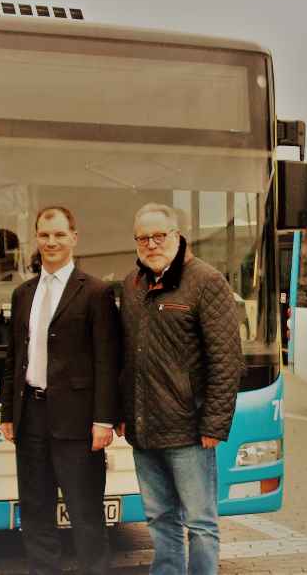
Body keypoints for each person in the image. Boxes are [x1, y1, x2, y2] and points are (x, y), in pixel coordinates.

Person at [116, 202, 245, 575]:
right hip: (143, 429)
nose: (151, 244)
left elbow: (226, 359)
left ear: (177, 236)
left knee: (201, 524)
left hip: (189, 430)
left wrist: (213, 425)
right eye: (143, 238)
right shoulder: (133, 283)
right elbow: (127, 357)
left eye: (159, 236)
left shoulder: (206, 282)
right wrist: (125, 413)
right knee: (159, 518)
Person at [0, 206, 121, 575]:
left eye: (58, 235)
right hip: (30, 417)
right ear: (36, 239)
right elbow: (13, 357)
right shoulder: (23, 293)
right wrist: (8, 413)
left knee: (85, 513)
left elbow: (107, 361)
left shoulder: (96, 292)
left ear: (73, 237)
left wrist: (104, 419)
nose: (51, 242)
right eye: (44, 235)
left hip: (78, 422)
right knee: (36, 511)